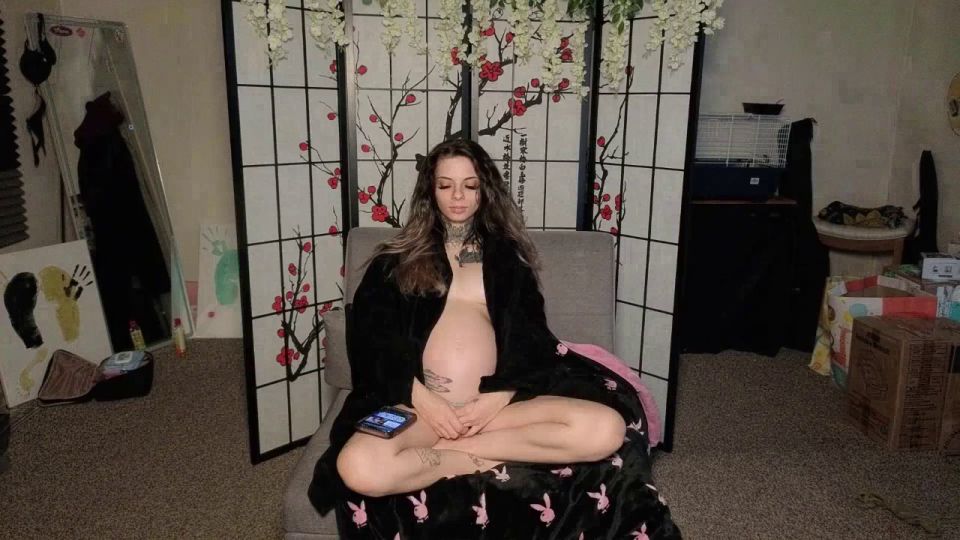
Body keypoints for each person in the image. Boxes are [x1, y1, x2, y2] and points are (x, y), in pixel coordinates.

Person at [308, 138, 677, 539]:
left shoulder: (507, 261)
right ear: (430, 191)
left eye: (470, 185)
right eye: (446, 185)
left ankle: (457, 453)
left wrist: (497, 398)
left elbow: (532, 338)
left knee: (606, 428)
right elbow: (371, 341)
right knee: (358, 466)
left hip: (493, 410)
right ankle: (480, 454)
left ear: (485, 191)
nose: (458, 196)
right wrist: (423, 400)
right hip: (422, 409)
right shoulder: (394, 260)